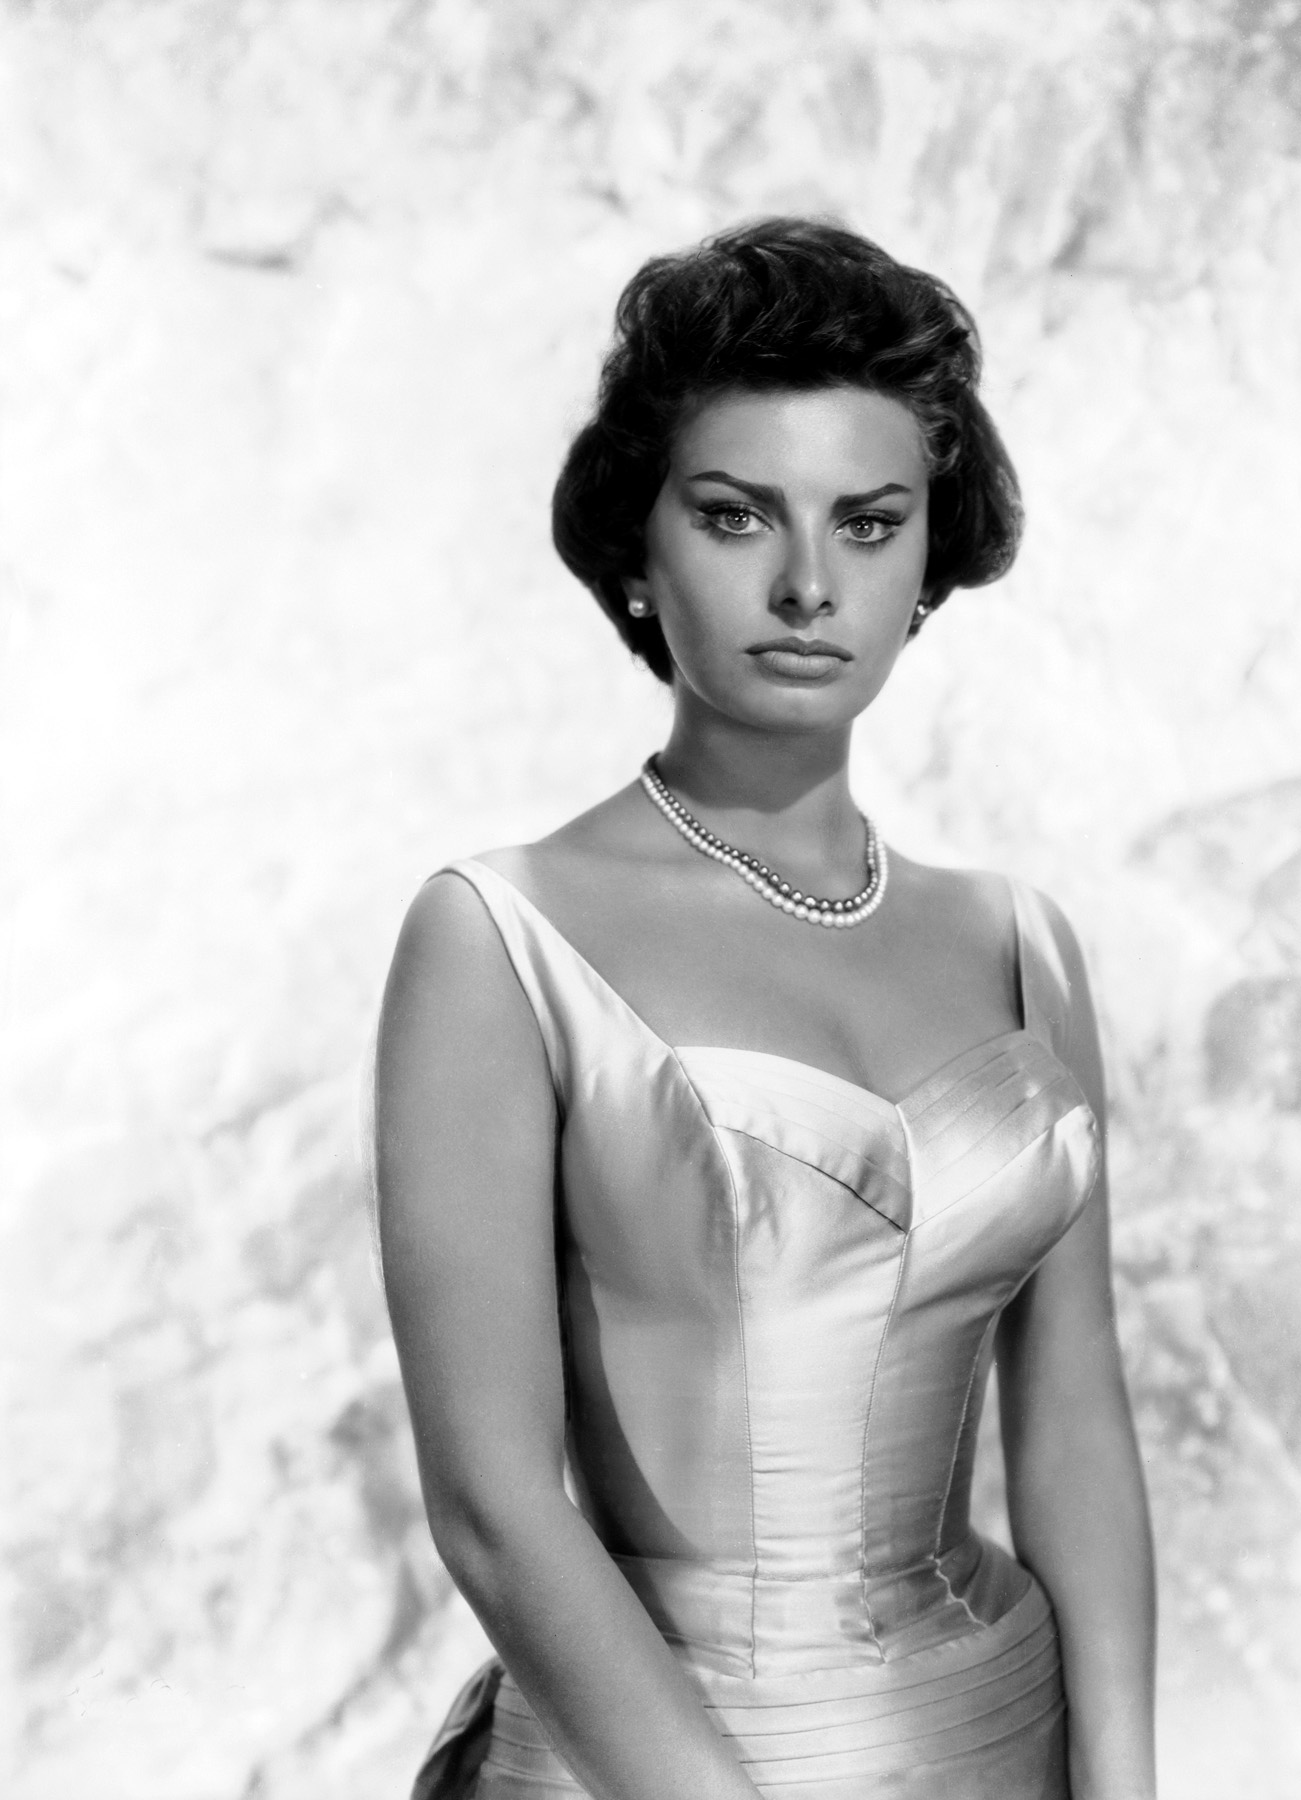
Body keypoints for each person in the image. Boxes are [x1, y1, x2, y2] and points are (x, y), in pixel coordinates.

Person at [373, 217, 1156, 1800]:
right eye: (736, 516)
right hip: (660, 1764)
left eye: (870, 524)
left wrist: (1124, 1785)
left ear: (929, 564)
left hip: (997, 1738)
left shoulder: (1025, 943)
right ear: (636, 551)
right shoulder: (499, 937)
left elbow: (1074, 1418)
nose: (808, 585)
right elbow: (494, 1512)